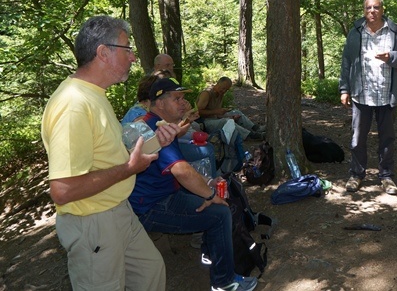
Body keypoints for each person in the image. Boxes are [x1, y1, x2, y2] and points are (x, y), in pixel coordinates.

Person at [41, 15, 179, 290]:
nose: (134, 58)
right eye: (127, 49)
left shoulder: (95, 95)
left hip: (118, 211)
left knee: (150, 272)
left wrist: (157, 144)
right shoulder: (73, 104)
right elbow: (64, 190)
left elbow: (108, 153)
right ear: (103, 53)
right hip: (92, 222)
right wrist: (129, 169)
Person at [129, 77, 257, 291]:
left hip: (161, 197)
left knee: (214, 201)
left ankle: (212, 253)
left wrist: (208, 181)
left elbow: (178, 165)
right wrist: (209, 194)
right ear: (159, 103)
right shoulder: (151, 129)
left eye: (183, 98)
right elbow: (181, 170)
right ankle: (224, 282)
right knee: (220, 213)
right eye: (177, 98)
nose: (183, 103)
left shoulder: (159, 124)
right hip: (151, 206)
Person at [339, 0, 397, 196]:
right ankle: (356, 174)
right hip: (361, 95)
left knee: (387, 139)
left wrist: (392, 57)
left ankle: (386, 176)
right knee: (357, 139)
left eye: (375, 7)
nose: (371, 11)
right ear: (363, 10)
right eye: (368, 8)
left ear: (382, 9)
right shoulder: (356, 32)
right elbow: (346, 62)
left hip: (387, 96)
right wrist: (344, 89)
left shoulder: (396, 31)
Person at [196, 76, 265, 141]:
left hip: (215, 118)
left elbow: (217, 113)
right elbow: (198, 112)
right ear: (217, 84)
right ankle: (251, 136)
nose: (224, 91)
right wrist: (217, 112)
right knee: (227, 122)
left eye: (226, 89)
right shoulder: (206, 94)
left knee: (236, 112)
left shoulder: (220, 94)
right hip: (205, 122)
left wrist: (230, 116)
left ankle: (255, 128)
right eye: (223, 88)